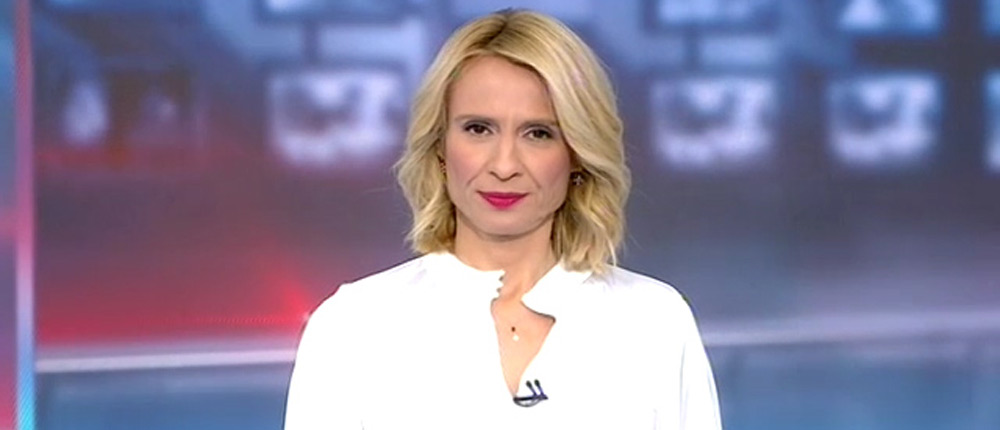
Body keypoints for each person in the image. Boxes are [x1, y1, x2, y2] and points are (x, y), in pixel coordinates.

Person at [283, 9, 721, 430]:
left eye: (538, 133)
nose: (505, 165)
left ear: (577, 155)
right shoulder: (353, 327)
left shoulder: (654, 322)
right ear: (440, 147)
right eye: (478, 129)